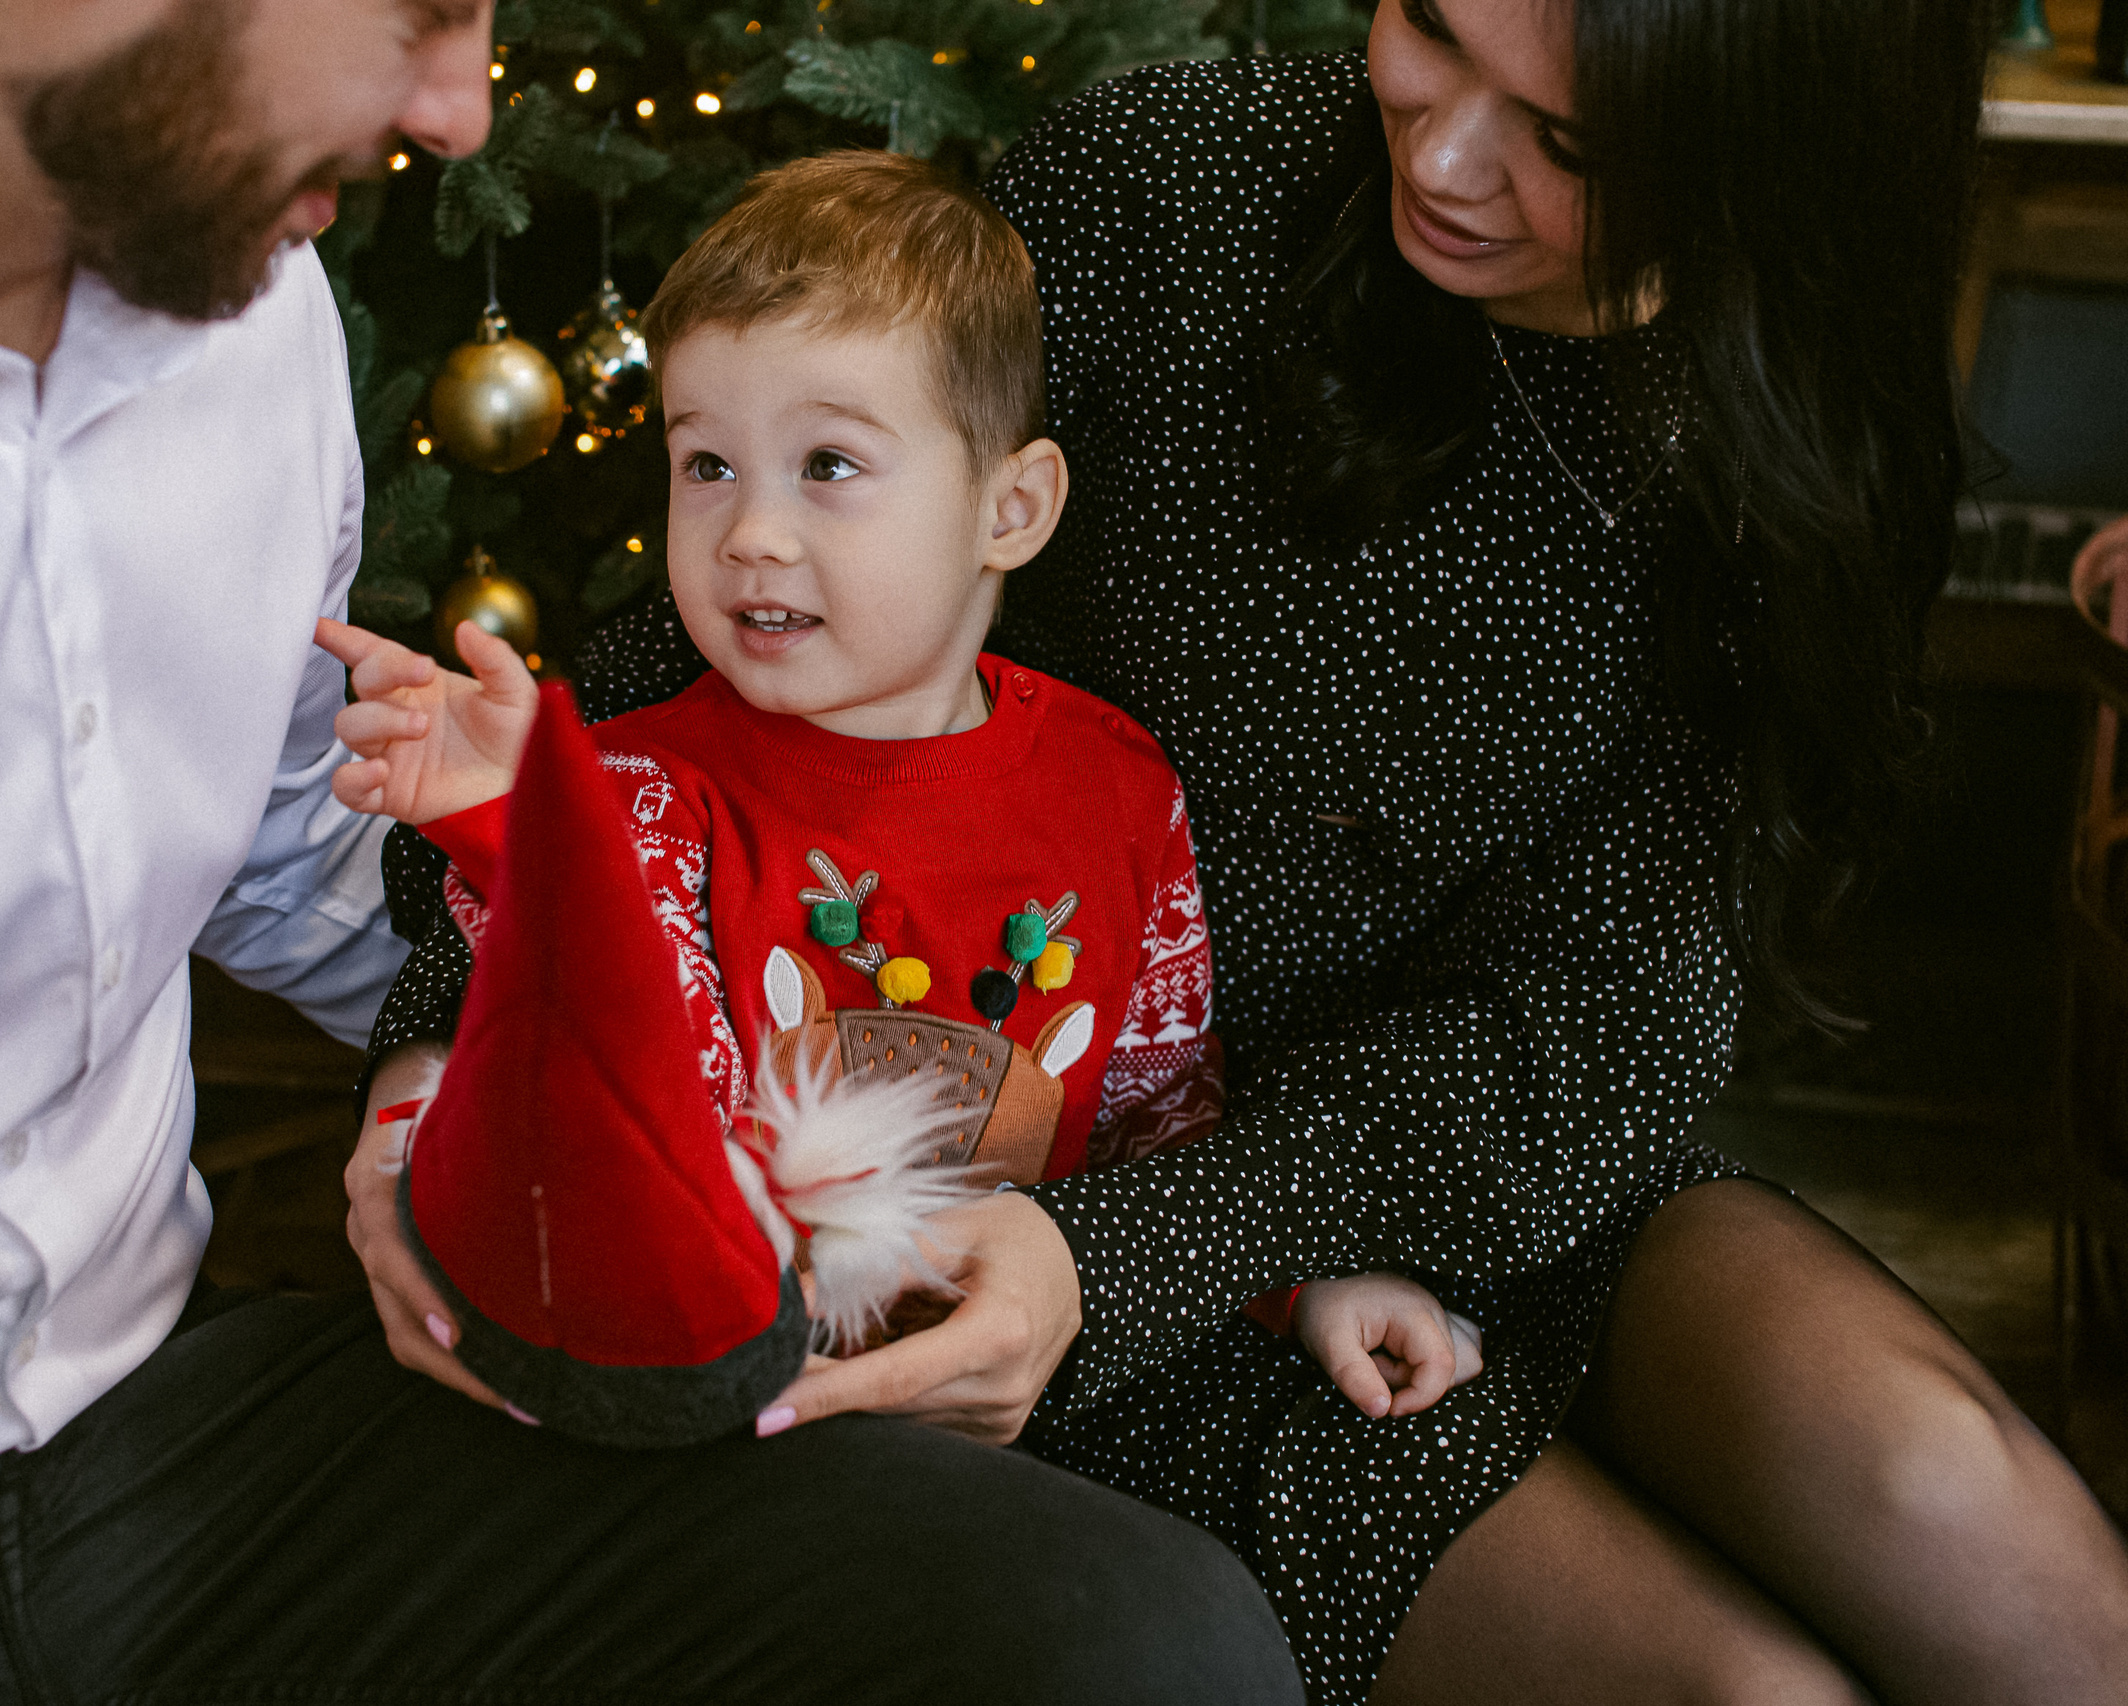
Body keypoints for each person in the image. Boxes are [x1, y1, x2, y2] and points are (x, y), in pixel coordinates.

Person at [369, 2, 2128, 1703]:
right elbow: (634, 725)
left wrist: (1223, 1225)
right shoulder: (1172, 191)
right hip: (1026, 1233)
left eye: (1568, 137)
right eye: (1431, 28)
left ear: (1770, 161)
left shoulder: (1777, 430)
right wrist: (456, 1076)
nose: (1440, 153)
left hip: (1438, 1169)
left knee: (1964, 1496)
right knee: (1740, 1691)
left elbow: (1621, 1016)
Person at [0, 2, 1303, 1702]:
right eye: (420, 6)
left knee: (1124, 1637)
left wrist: (447, 1060)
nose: (461, 110)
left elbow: (296, 857)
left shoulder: (244, 310)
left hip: (176, 1438)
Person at [324, 150, 1487, 1430]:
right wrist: (522, 832)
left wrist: (1291, 1280)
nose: (751, 530)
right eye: (707, 464)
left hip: (1027, 1403)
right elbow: (639, 1098)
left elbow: (1163, 1109)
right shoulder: (639, 789)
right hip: (739, 1422)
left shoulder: (1119, 782)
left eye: (827, 464)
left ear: (1011, 506)